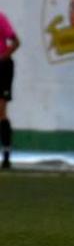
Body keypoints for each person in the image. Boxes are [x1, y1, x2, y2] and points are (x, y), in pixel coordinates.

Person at [0, 9, 18, 169]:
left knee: (1, 111)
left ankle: (6, 154)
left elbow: (16, 42)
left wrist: (2, 58)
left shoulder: (1, 18)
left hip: (3, 68)